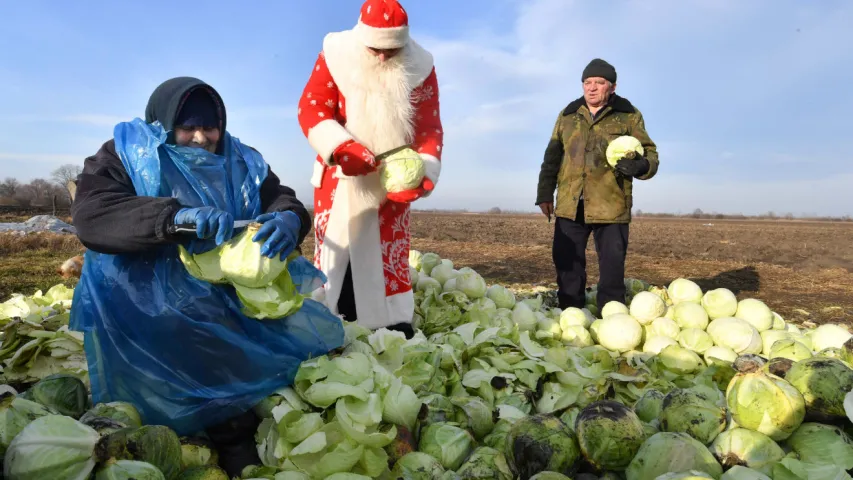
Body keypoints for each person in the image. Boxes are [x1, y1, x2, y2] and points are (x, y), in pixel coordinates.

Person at [70, 76, 344, 476]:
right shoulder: (126, 154)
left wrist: (290, 217)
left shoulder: (243, 161)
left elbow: (279, 195)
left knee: (251, 349)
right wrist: (173, 218)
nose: (200, 137)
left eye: (210, 126)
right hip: (141, 293)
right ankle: (180, 430)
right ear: (162, 124)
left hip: (221, 291)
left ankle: (233, 432)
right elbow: (92, 215)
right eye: (187, 126)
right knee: (169, 370)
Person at [297, 0, 444, 337]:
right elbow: (312, 109)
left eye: (391, 50)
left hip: (391, 184)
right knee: (338, 253)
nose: (381, 56)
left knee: (386, 254)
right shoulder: (336, 54)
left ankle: (389, 321)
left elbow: (428, 129)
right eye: (375, 49)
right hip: (340, 177)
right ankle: (331, 316)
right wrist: (340, 146)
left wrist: (422, 172)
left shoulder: (421, 67)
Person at [535, 59, 659, 310]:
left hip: (610, 204)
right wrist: (545, 193)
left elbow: (650, 154)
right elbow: (552, 156)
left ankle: (610, 317)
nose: (591, 88)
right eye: (587, 82)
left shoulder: (628, 115)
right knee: (567, 262)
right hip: (571, 203)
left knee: (612, 268)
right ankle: (571, 314)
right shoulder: (568, 115)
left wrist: (641, 166)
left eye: (599, 83)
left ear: (612, 87)